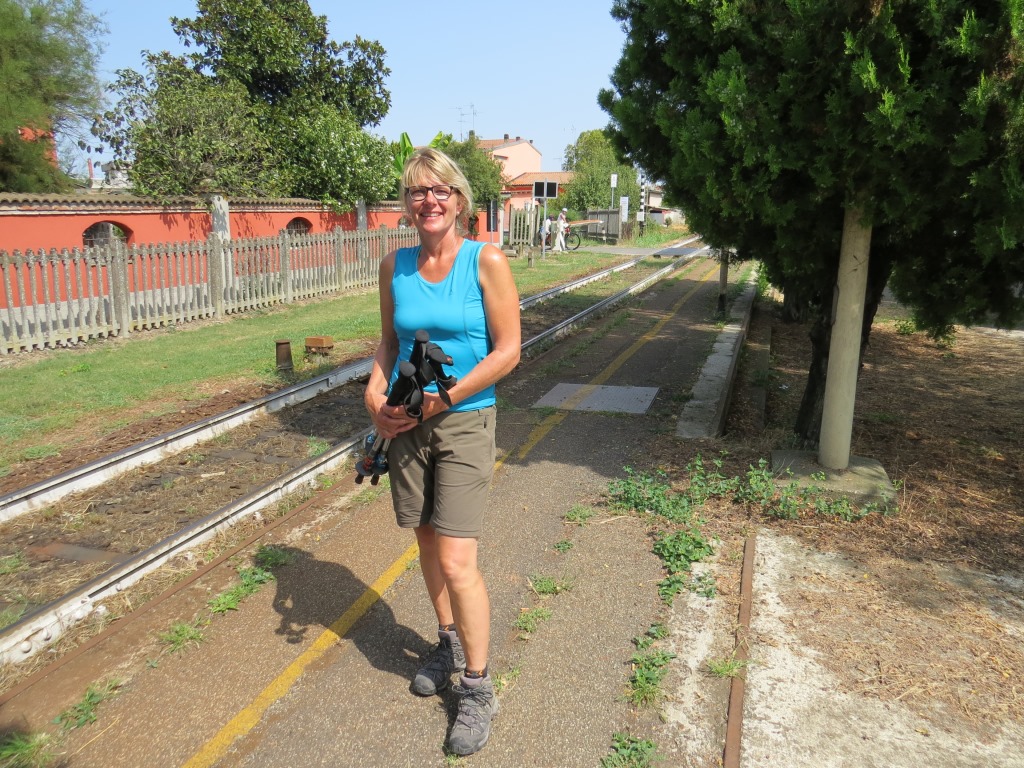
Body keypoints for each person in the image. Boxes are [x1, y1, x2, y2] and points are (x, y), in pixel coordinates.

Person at [364, 147, 521, 756]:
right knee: (426, 542)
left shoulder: (486, 260)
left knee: (458, 560)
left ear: (458, 199)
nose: (427, 201)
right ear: (407, 204)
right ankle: (447, 642)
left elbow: (508, 351)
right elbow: (388, 343)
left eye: (439, 190)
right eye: (416, 191)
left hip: (464, 422)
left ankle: (478, 687)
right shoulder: (395, 265)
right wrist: (374, 398)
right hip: (407, 423)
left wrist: (446, 397)